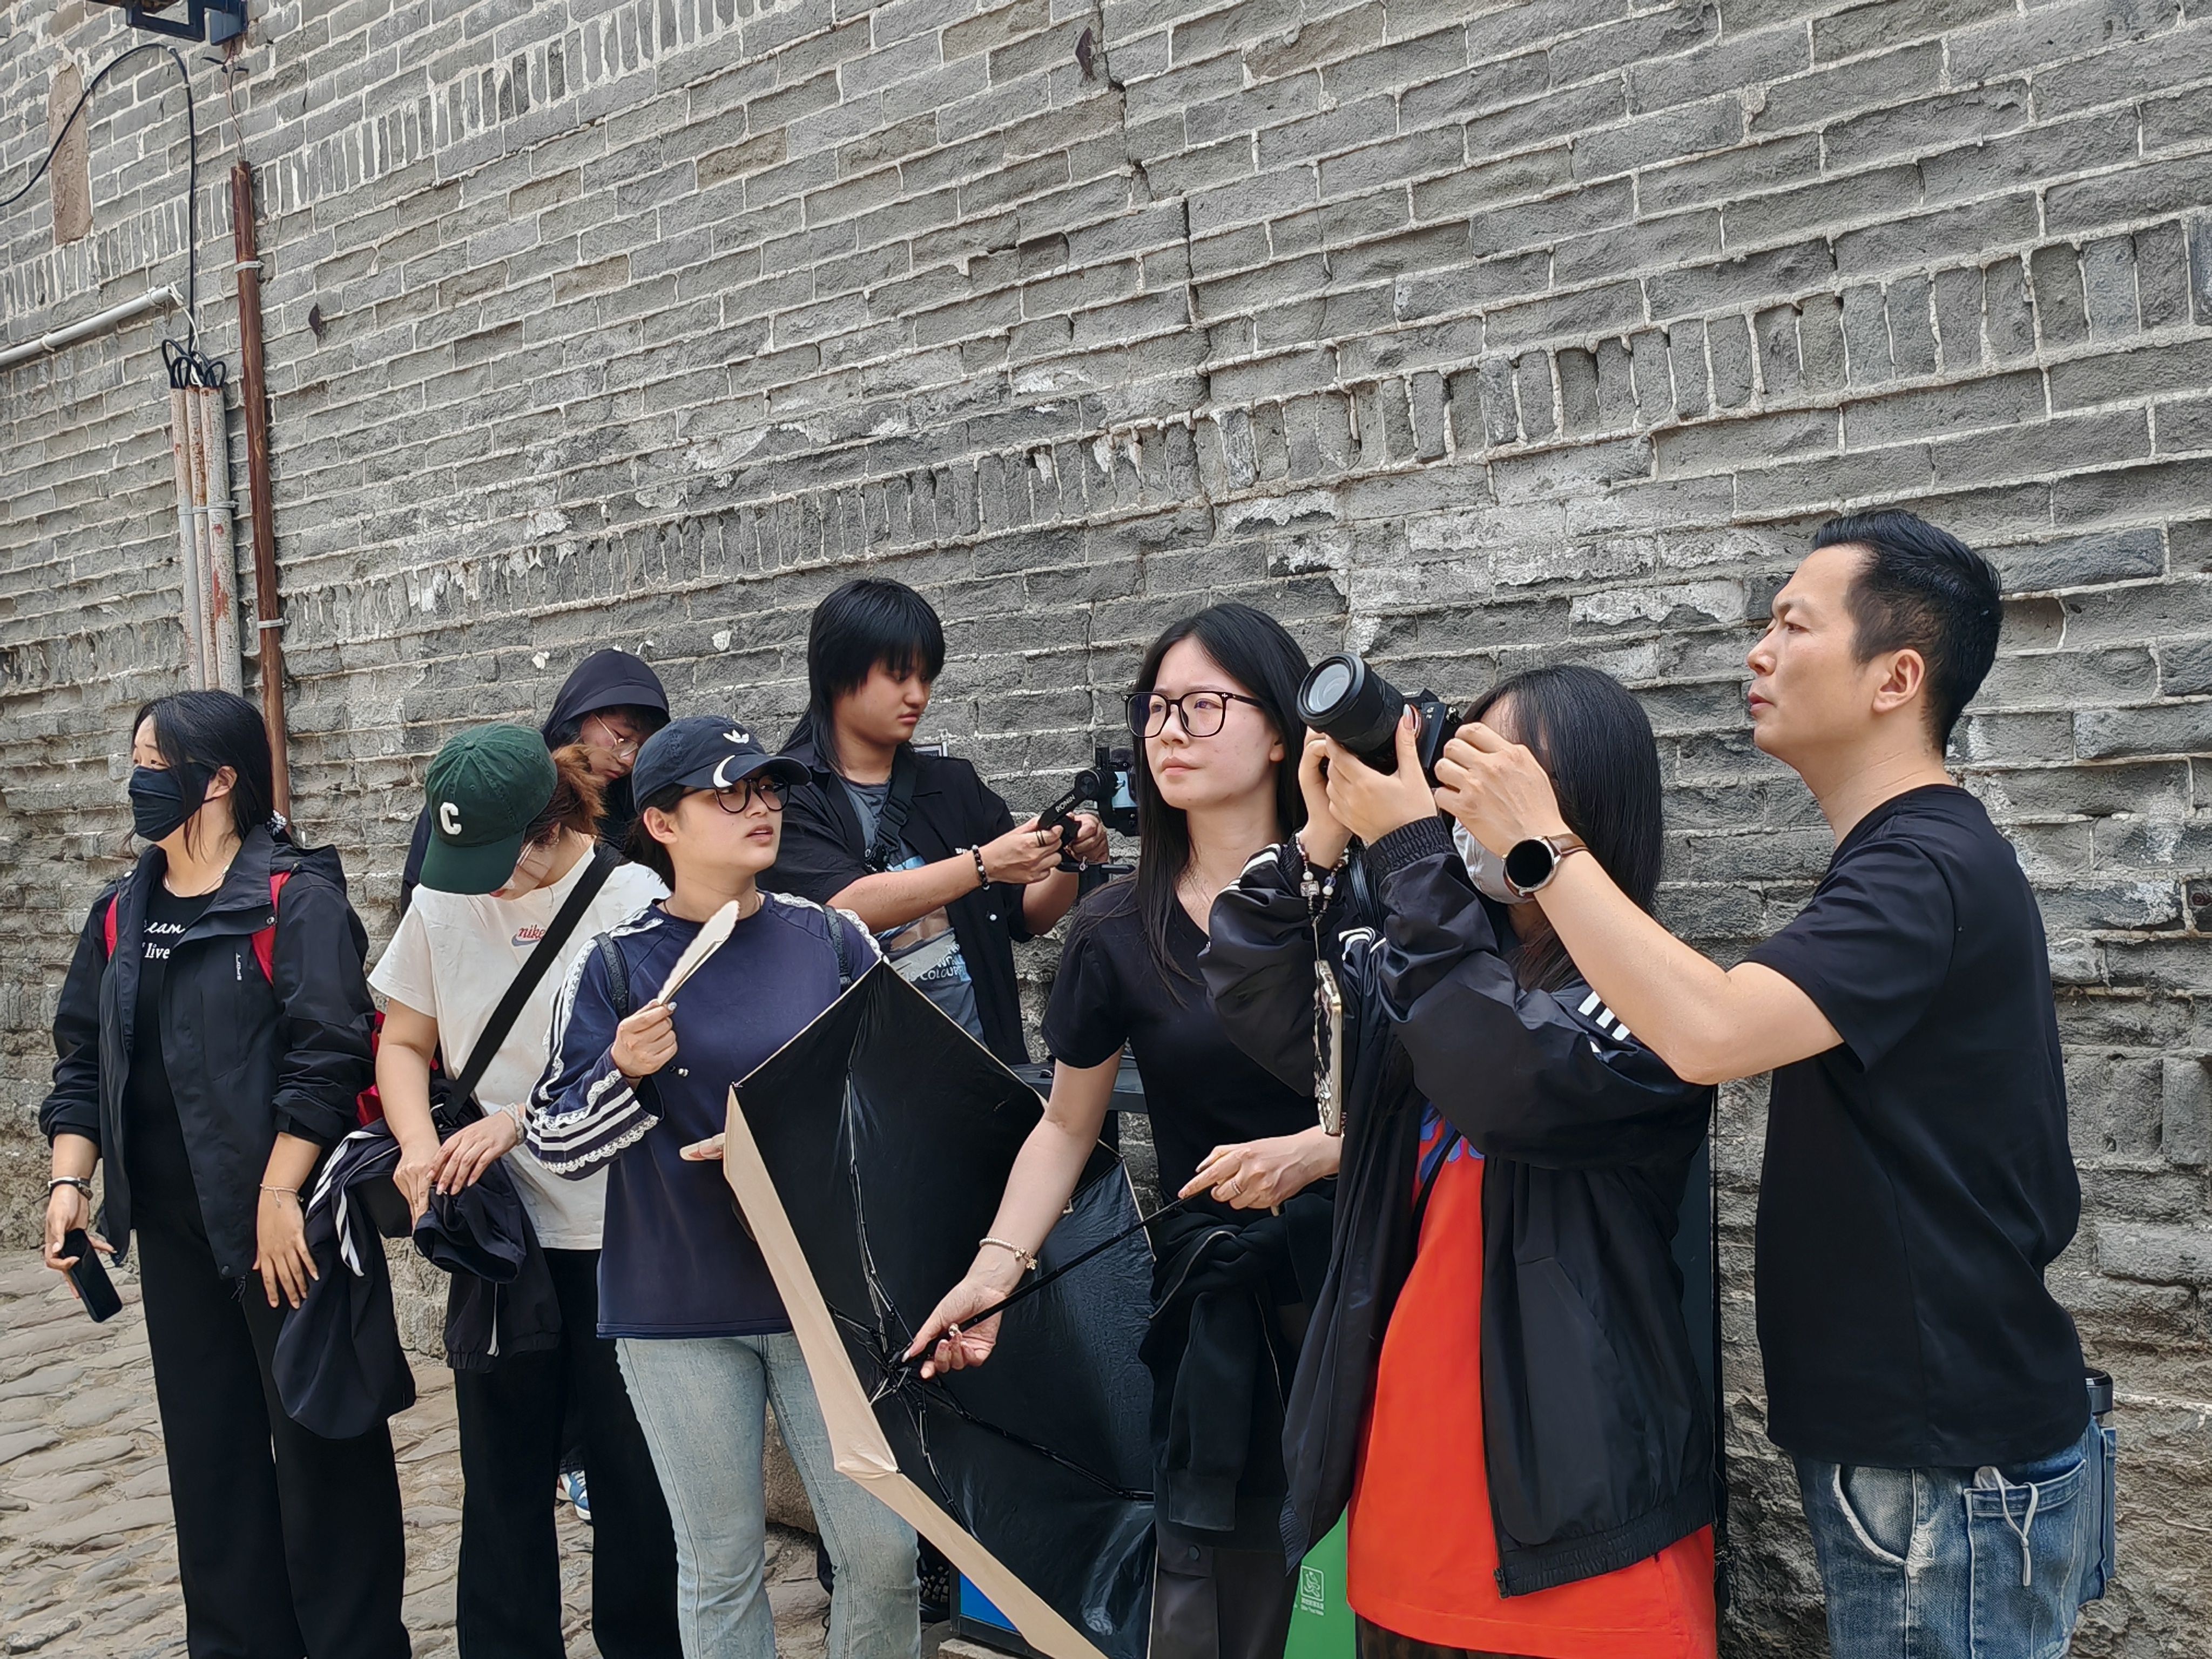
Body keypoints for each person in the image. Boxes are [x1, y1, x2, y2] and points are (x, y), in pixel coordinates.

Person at [1433, 510, 2108, 1659]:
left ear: (1896, 677)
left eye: (1793, 625)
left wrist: (1539, 842)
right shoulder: (1908, 860)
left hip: (1942, 1466)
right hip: (1928, 1450)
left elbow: (1704, 1030)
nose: (1757, 650)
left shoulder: (1924, 865)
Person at [1203, 665, 1719, 1659]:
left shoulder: (1657, 1003)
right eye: (1458, 766)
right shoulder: (1425, 963)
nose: (1461, 795)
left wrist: (1409, 855)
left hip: (1579, 1537)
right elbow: (1255, 993)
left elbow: (1507, 1076)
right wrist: (1321, 840)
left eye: (1498, 769)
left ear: (1585, 799)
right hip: (1404, 1513)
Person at [908, 603, 1336, 1659]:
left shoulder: (1358, 890)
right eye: (1154, 709)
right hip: (1216, 1290)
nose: (1168, 732)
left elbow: (1450, 1094)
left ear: (1279, 732)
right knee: (1221, 1584)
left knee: (1375, 1568)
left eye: (1202, 707)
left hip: (1366, 1275)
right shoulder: (1114, 924)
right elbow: (1065, 1125)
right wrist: (995, 1270)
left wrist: (1325, 1148)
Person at [528, 716, 922, 1659]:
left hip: (823, 1296)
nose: (761, 808)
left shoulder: (831, 940)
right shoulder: (615, 962)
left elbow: (901, 1089)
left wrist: (791, 1134)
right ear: (662, 823)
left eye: (769, 787)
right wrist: (623, 1072)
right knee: (720, 1566)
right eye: (729, 793)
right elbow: (554, 1138)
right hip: (677, 1303)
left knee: (884, 1551)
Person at [38, 689, 408, 1659]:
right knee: (212, 1464)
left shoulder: (294, 899)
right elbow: (82, 1059)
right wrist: (70, 1183)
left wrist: (280, 1194)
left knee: (326, 1453)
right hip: (174, 1231)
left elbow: (329, 1055)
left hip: (289, 1230)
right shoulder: (120, 912)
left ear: (219, 778)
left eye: (154, 761)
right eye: (136, 759)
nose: (137, 778)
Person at [372, 726, 679, 1658]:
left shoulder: (636, 900)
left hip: (620, 1230)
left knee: (635, 1479)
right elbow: (402, 1041)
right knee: (501, 1476)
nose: (481, 887)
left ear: (551, 827)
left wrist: (517, 1116)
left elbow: (656, 1067)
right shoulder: (443, 897)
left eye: (496, 865)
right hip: (500, 1234)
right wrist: (418, 1146)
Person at [763, 577, 1107, 1065]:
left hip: (987, 1068)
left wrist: (1067, 858)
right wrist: (985, 865)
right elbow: (841, 907)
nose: (918, 696)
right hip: (863, 1083)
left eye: (926, 678)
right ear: (839, 671)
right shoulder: (788, 794)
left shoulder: (953, 784)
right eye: (899, 676)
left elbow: (1029, 915)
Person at [399, 648, 670, 915]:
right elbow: (423, 890)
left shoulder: (634, 803)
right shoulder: (499, 777)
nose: (628, 759)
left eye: (641, 747)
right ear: (582, 714)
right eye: (622, 739)